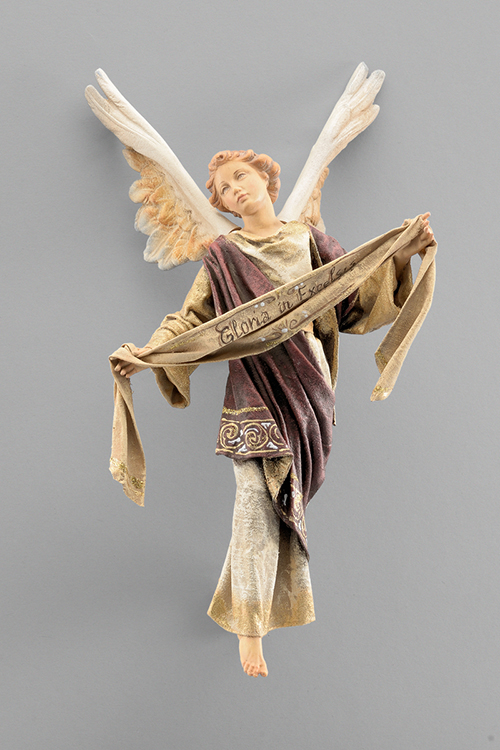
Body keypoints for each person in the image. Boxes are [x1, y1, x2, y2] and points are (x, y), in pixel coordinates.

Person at [113, 150, 434, 678]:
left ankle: (242, 610)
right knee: (252, 505)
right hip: (252, 394)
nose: (234, 189)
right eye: (223, 188)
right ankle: (250, 628)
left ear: (265, 179)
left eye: (240, 176)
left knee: (272, 507)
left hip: (308, 391)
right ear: (222, 203)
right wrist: (147, 355)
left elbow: (354, 300)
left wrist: (403, 256)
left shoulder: (310, 241)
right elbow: (191, 319)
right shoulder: (223, 257)